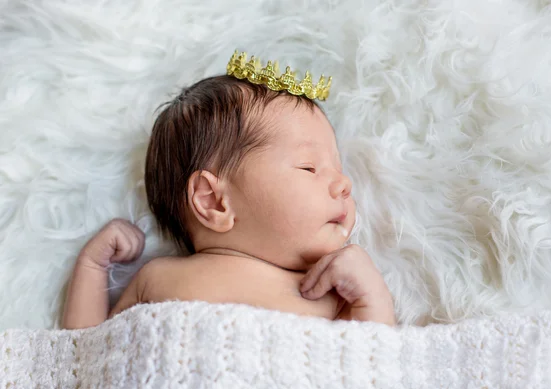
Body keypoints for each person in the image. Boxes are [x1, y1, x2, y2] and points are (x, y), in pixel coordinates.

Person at [61, 52, 396, 329]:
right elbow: (84, 356)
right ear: (214, 200)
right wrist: (92, 267)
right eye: (309, 167)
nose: (344, 184)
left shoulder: (330, 294)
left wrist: (372, 297)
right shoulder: (156, 278)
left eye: (338, 169)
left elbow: (372, 365)